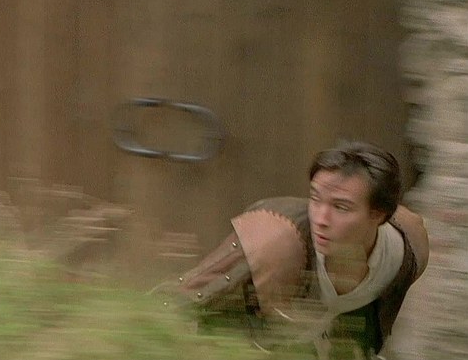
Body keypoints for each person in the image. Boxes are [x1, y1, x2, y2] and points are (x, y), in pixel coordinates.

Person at [171, 141, 429, 359]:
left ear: (378, 215)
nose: (321, 219)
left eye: (341, 207)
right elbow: (174, 305)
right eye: (315, 198)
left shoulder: (404, 254)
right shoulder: (273, 241)